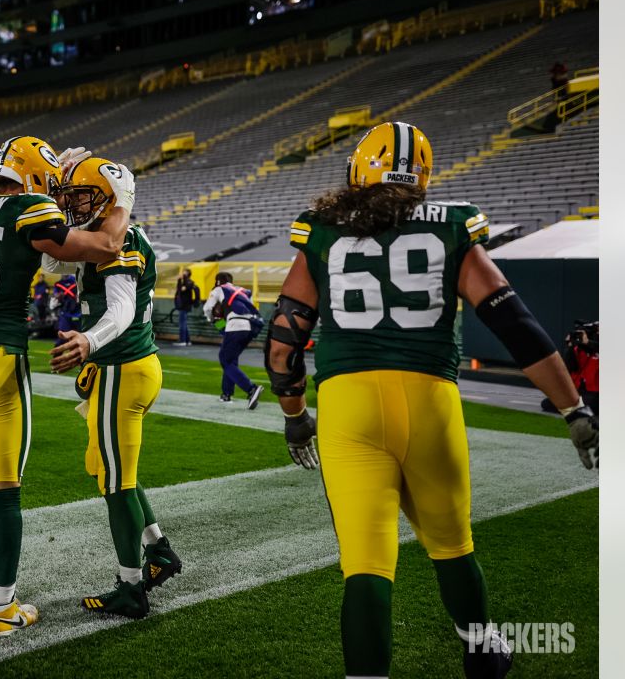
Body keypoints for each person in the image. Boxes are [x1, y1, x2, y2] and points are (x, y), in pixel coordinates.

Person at [264, 121, 599, 679]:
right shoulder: (449, 226)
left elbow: (284, 342)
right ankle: (482, 651)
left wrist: (296, 417)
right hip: (431, 402)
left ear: (359, 170)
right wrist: (574, 408)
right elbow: (514, 323)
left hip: (349, 407)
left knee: (366, 566)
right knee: (452, 544)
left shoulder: (322, 230)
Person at [0, 137, 133, 637]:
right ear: (37, 177)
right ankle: (1, 609)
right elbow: (105, 246)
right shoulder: (29, 207)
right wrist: (121, 200)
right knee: (4, 494)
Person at [48, 156, 183, 620]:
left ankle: (130, 586)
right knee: (109, 472)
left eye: (81, 196)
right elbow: (49, 262)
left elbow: (122, 309)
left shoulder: (120, 239)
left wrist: (89, 340)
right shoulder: (108, 234)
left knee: (116, 483)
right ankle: (158, 549)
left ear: (108, 198)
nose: (72, 205)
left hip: (123, 367)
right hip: (127, 368)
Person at [203, 272, 265, 409]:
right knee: (231, 359)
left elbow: (207, 308)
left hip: (234, 325)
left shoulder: (219, 289)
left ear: (218, 281)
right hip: (250, 326)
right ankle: (226, 394)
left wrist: (211, 319)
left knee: (225, 360)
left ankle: (251, 389)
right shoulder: (244, 291)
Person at [173, 268, 201, 346]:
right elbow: (179, 289)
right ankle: (187, 340)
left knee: (182, 323)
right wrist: (179, 280)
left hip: (185, 306)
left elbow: (181, 290)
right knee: (184, 323)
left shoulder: (189, 282)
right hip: (183, 305)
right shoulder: (184, 283)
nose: (181, 274)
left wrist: (181, 280)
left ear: (186, 274)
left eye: (183, 273)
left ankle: (183, 341)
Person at [51, 273, 80, 343]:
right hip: (65, 312)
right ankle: (58, 353)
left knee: (77, 337)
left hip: (76, 313)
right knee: (62, 335)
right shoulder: (58, 284)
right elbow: (56, 296)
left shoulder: (77, 282)